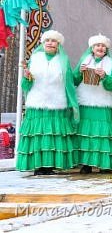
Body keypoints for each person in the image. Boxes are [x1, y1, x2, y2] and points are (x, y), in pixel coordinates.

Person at [17, 30, 78, 175]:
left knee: (53, 135)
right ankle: (38, 166)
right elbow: (26, 85)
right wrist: (27, 77)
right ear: (43, 43)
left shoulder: (63, 61)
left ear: (58, 44)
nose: (50, 43)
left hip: (57, 103)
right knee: (38, 134)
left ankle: (50, 166)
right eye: (47, 40)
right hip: (37, 103)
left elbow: (70, 83)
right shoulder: (35, 58)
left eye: (53, 41)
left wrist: (72, 103)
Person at [73, 34, 112, 174]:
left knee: (103, 134)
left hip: (102, 103)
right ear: (92, 48)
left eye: (103, 46)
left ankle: (104, 165)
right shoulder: (84, 60)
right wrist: (79, 72)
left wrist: (105, 76)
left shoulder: (111, 63)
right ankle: (86, 164)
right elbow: (74, 80)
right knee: (86, 134)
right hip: (85, 101)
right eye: (97, 45)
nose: (100, 47)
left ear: (106, 49)